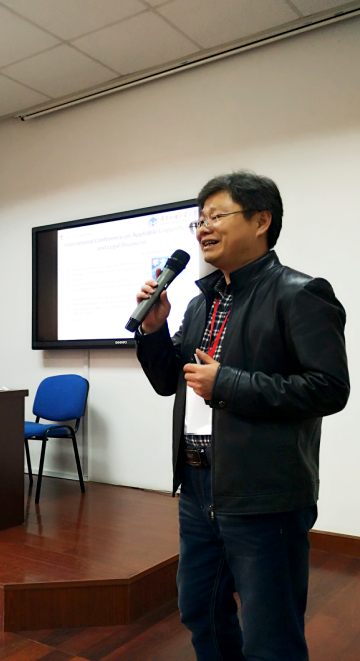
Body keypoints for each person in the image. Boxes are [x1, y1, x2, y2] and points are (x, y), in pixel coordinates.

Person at [135, 171, 349, 661]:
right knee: (199, 609)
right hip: (197, 485)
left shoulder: (300, 293)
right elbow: (169, 380)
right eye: (199, 220)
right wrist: (153, 329)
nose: (203, 228)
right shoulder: (199, 304)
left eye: (216, 216)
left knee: (270, 632)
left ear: (261, 220)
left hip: (264, 490)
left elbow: (329, 388)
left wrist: (227, 384)